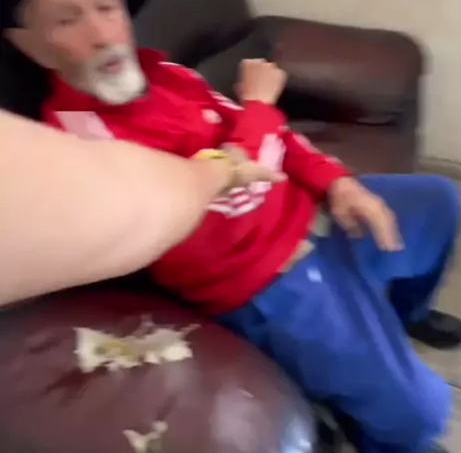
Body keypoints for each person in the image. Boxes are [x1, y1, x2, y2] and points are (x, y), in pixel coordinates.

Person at [0, 0, 461, 453]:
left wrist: (336, 184)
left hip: (309, 216)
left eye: (107, 7)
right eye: (67, 20)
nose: (102, 34)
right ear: (29, 44)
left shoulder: (164, 71)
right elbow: (218, 197)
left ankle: (404, 310)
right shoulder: (79, 139)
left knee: (435, 202)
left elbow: (272, 141)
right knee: (420, 412)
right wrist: (260, 107)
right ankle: (392, 440)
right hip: (266, 281)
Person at [0, 109, 282, 307]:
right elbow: (147, 210)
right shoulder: (78, 127)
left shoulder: (170, 75)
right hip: (260, 273)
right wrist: (227, 165)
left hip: (295, 227)